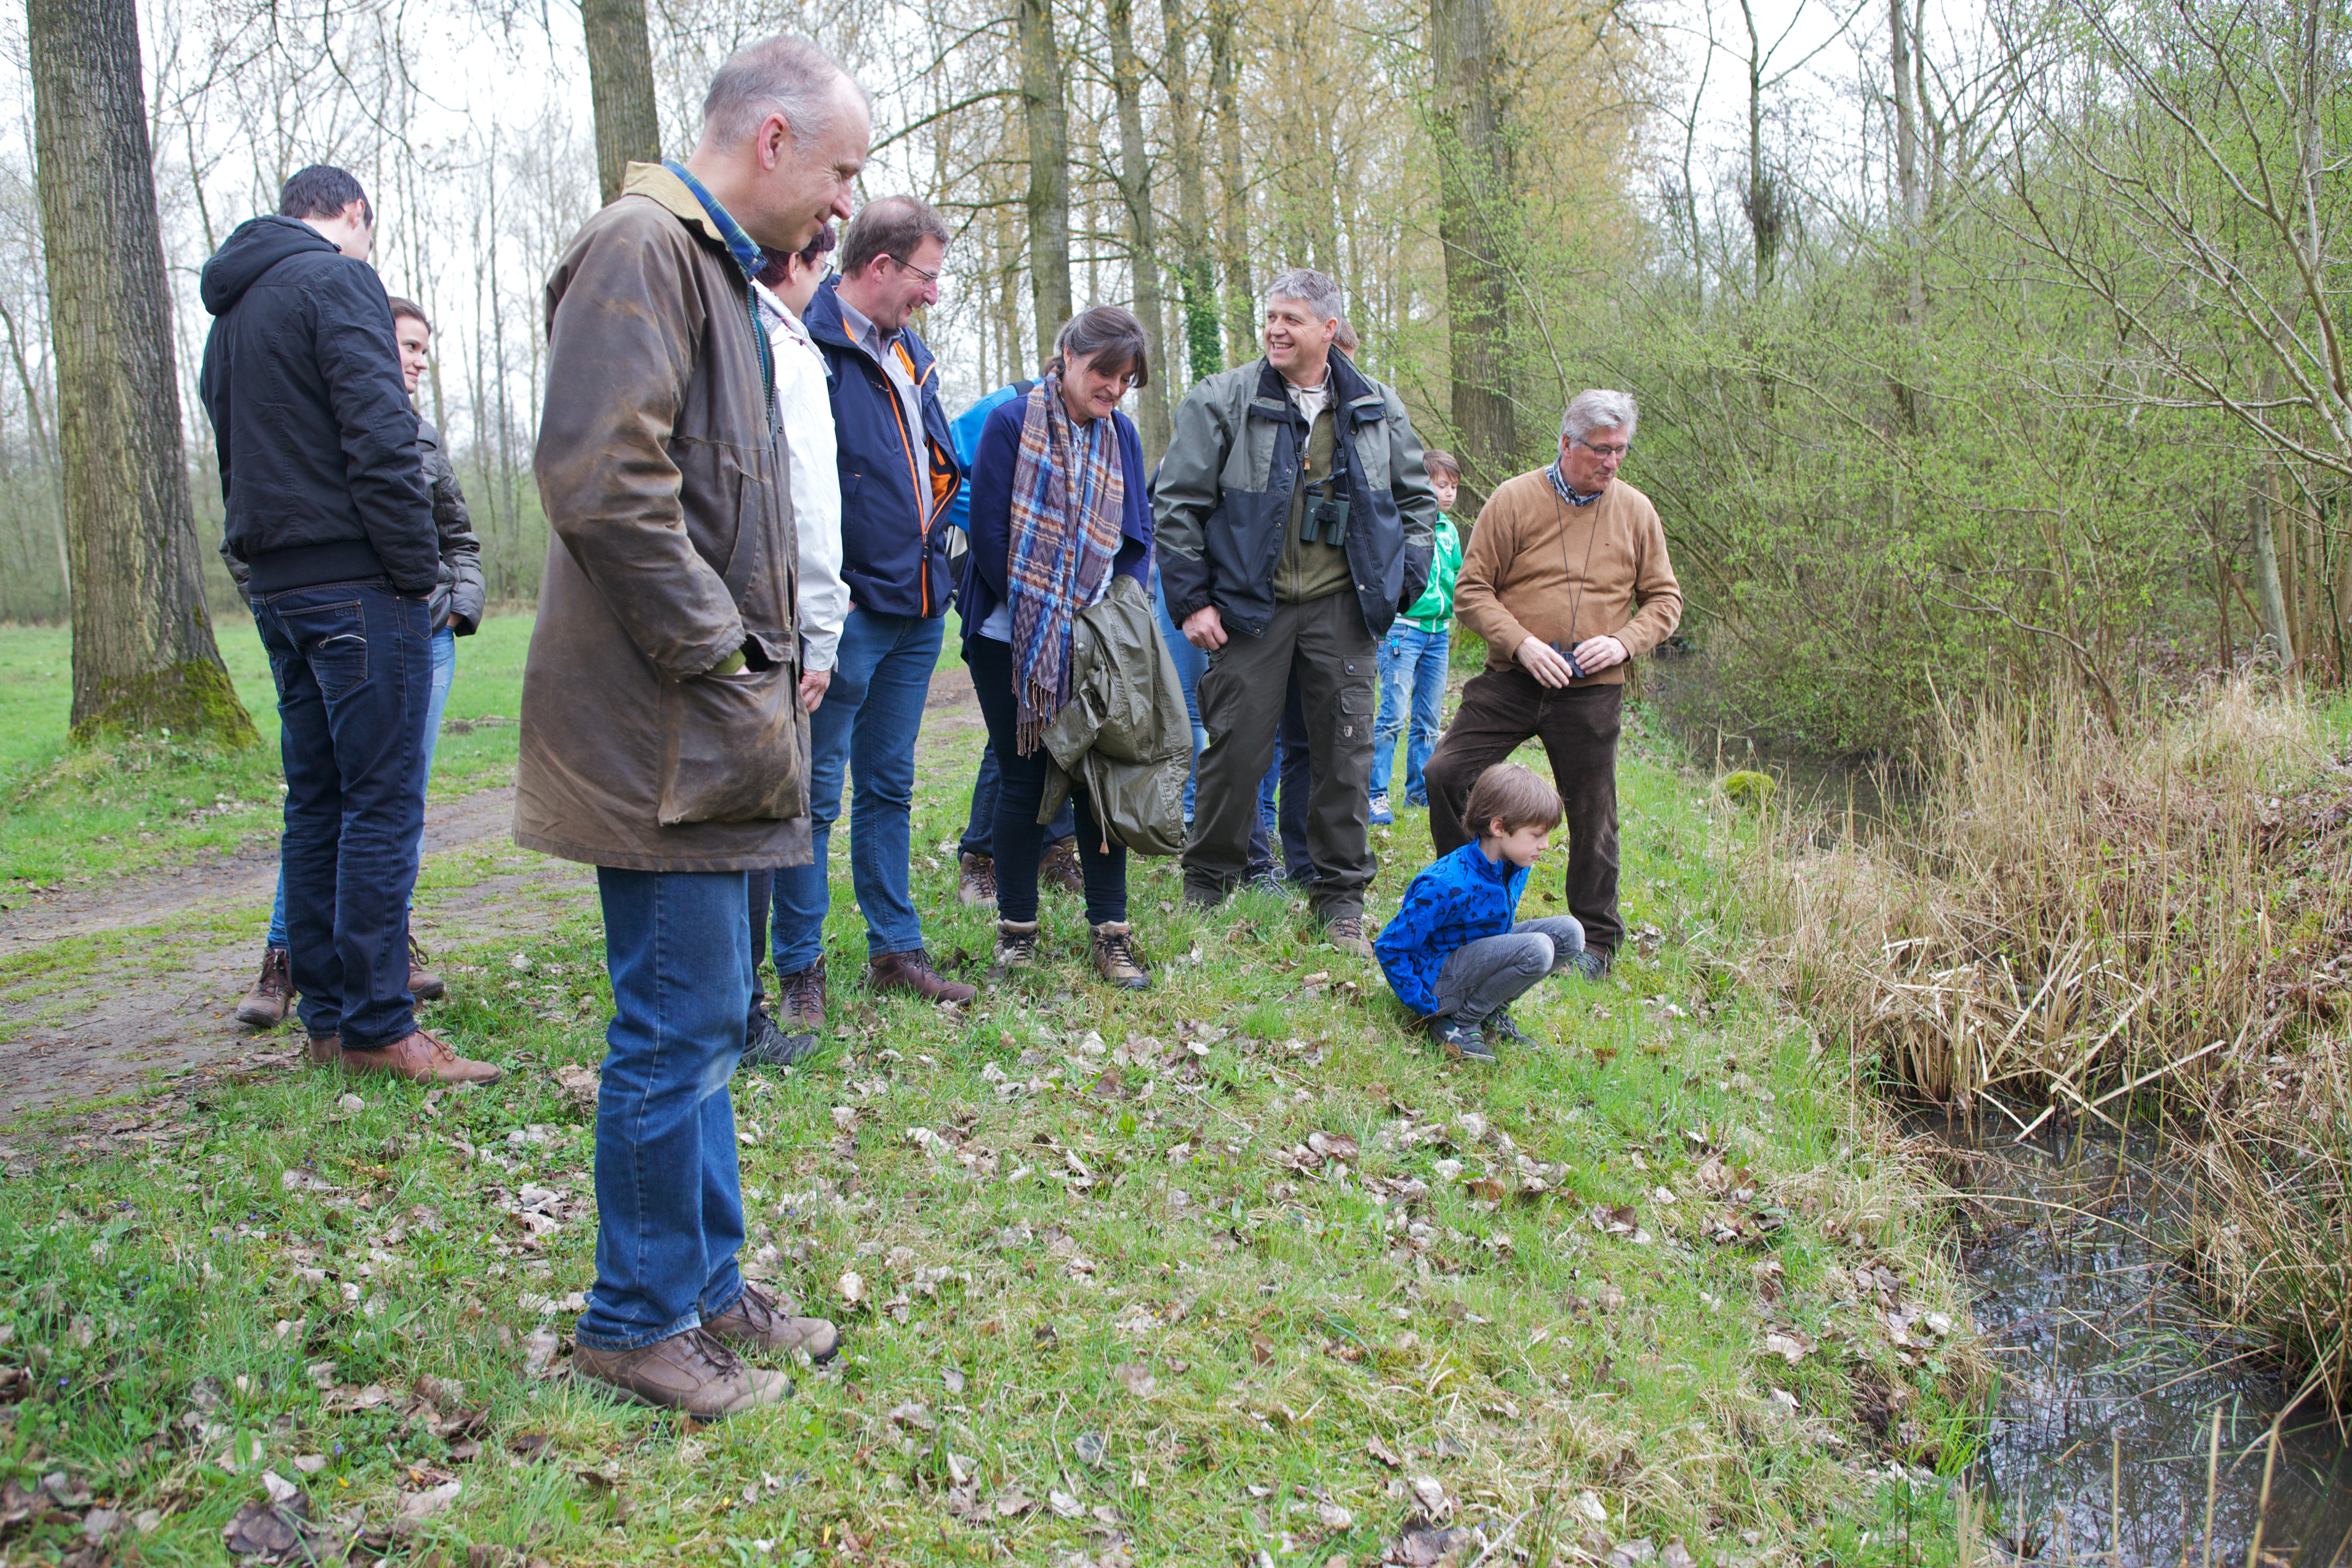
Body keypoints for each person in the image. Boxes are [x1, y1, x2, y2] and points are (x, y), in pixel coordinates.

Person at [519, 34, 865, 1416]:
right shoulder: (639, 247)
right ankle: (634, 1318)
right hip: (661, 735)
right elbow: (603, 481)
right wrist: (724, 652)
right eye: (839, 170)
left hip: (710, 730)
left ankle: (705, 1284)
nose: (844, 205)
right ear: (770, 140)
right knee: (671, 1027)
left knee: (714, 1016)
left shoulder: (718, 273)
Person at [199, 166, 497, 1085]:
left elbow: (231, 453)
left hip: (281, 589)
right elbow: (380, 436)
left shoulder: (233, 312)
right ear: (356, 215)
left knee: (319, 800)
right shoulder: (339, 281)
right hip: (359, 585)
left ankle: (327, 1019)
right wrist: (416, 579)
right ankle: (379, 1024)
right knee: (381, 804)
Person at [1156, 268, 1440, 957]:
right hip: (1250, 608)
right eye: (1271, 317)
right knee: (1236, 751)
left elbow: (1417, 503)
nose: (1276, 330)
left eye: (1292, 319)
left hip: (1343, 609)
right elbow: (1175, 506)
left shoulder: (1375, 404)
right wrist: (1192, 601)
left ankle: (1338, 897)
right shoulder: (1222, 398)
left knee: (1345, 756)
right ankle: (1209, 884)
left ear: (1328, 329)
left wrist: (1398, 584)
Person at [233, 299, 484, 1030]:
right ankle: (287, 959)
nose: (414, 360)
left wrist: (457, 604)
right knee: (334, 799)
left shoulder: (425, 438)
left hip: (425, 639)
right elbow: (253, 540)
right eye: (404, 345)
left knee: (392, 800)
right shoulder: (317, 430)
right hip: (350, 629)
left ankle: (386, 949)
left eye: (422, 352)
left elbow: (459, 539)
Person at [777, 194, 976, 1021]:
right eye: (925, 277)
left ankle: (895, 949)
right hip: (847, 612)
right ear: (882, 266)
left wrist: (949, 558)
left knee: (889, 785)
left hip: (921, 607)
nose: (933, 294)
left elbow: (937, 470)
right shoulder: (807, 347)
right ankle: (799, 970)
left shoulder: (911, 354)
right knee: (816, 794)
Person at [1423, 389, 1683, 977]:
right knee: (1445, 774)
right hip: (1514, 678)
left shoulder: (1637, 511)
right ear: (1567, 444)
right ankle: (1470, 903)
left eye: (1621, 450)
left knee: (1594, 812)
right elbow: (1471, 591)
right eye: (1600, 450)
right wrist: (1521, 642)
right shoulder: (1514, 500)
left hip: (1593, 690)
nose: (1611, 462)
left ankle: (1595, 945)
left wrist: (1622, 642)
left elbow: (1666, 600)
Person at [957, 308, 1158, 990]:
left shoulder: (1121, 434)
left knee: (1099, 786)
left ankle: (1112, 936)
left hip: (1097, 640)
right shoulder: (1012, 422)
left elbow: (1137, 538)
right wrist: (1045, 613)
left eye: (1126, 378)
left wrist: (1112, 611)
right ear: (1067, 353)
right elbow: (988, 538)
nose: (1113, 389)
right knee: (1022, 783)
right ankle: (1017, 933)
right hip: (1009, 637)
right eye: (1104, 371)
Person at [740, 224, 845, 1069]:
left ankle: (725, 1009)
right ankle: (736, 1016)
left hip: (714, 607)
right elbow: (810, 494)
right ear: (804, 263)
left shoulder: (718, 322)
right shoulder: (786, 345)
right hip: (768, 614)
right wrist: (821, 629)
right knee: (765, 819)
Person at [943, 380, 1079, 909]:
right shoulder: (1010, 406)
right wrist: (1007, 523)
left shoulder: (1101, 427)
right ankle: (980, 857)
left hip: (1067, 597)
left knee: (1061, 724)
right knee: (1017, 729)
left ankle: (1054, 847)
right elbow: (944, 472)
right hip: (1001, 585)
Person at [1373, 762, 1588, 1062]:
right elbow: (1389, 946)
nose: (1546, 845)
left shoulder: (1514, 868)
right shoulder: (1447, 884)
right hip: (1438, 980)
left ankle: (1491, 1012)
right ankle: (1459, 1021)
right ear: (1499, 827)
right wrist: (1423, 1002)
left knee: (1571, 934)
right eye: (1536, 835)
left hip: (1474, 960)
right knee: (1537, 950)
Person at [1369, 447, 1462, 825]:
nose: (1450, 493)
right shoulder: (1404, 526)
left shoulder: (1451, 532)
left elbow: (1456, 577)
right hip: (1403, 633)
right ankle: (1375, 795)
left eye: (1455, 486)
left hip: (1439, 634)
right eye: (1443, 486)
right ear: (1424, 486)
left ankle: (1419, 793)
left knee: (1428, 720)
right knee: (1392, 716)